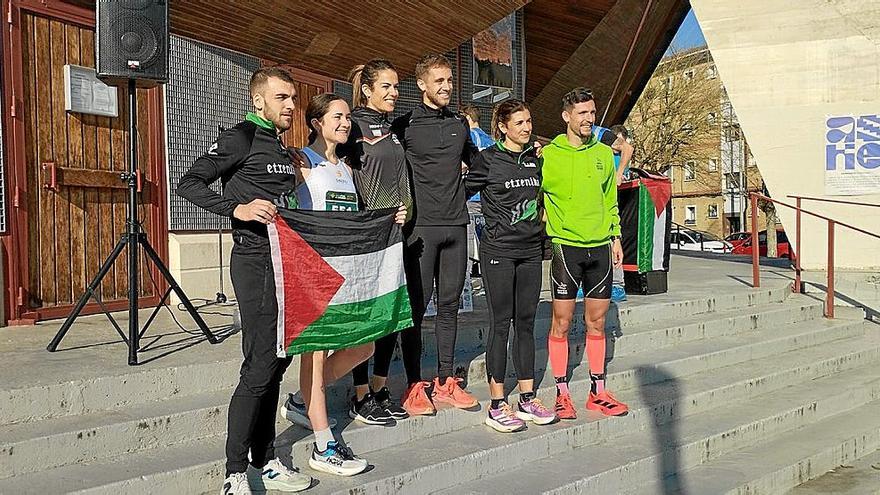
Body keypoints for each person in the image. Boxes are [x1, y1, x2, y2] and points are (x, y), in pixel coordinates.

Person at [177, 67, 312, 495]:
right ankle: (234, 474)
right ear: (258, 101)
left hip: (286, 262)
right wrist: (236, 209)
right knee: (259, 365)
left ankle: (266, 458)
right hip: (254, 261)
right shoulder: (241, 136)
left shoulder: (281, 146)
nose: (290, 105)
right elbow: (189, 183)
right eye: (280, 98)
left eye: (292, 98)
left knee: (277, 360)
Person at [290, 93, 406, 476]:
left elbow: (355, 222)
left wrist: (391, 218)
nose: (345, 123)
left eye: (347, 118)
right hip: (312, 274)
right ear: (316, 122)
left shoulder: (347, 168)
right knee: (317, 354)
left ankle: (301, 399)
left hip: (347, 274)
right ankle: (324, 444)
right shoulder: (301, 163)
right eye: (337, 117)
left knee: (364, 344)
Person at [391, 53, 480, 415]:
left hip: (456, 227)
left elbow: (480, 165)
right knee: (415, 309)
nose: (446, 87)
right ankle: (414, 385)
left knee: (449, 307)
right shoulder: (405, 124)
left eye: (449, 80)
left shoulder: (460, 123)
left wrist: (461, 190)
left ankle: (445, 381)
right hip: (420, 231)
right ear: (423, 85)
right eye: (439, 81)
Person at [465, 99, 556, 433]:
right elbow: (460, 191)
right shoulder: (487, 160)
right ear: (502, 126)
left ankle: (528, 397)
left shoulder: (536, 160)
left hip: (531, 251)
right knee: (501, 324)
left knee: (527, 323)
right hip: (498, 252)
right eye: (519, 122)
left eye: (529, 121)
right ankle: (497, 403)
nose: (527, 127)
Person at [541, 87, 630, 420]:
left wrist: (615, 236)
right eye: (582, 113)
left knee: (597, 322)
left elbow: (610, 199)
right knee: (561, 323)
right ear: (566, 116)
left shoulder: (604, 154)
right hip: (566, 247)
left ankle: (598, 391)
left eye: (592, 113)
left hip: (601, 247)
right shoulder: (549, 154)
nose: (589, 120)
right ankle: (562, 393)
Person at [340, 59, 412, 426]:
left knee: (390, 316)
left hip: (393, 235)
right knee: (366, 319)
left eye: (396, 87)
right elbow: (337, 174)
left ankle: (380, 389)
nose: (393, 93)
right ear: (367, 89)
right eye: (386, 86)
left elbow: (401, 178)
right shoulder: (350, 124)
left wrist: (405, 210)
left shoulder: (392, 129)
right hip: (365, 236)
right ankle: (359, 394)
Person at [592, 124, 634, 303]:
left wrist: (620, 173)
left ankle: (617, 285)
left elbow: (627, 148)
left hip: (607, 200)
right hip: (591, 199)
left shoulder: (600, 135)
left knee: (611, 238)